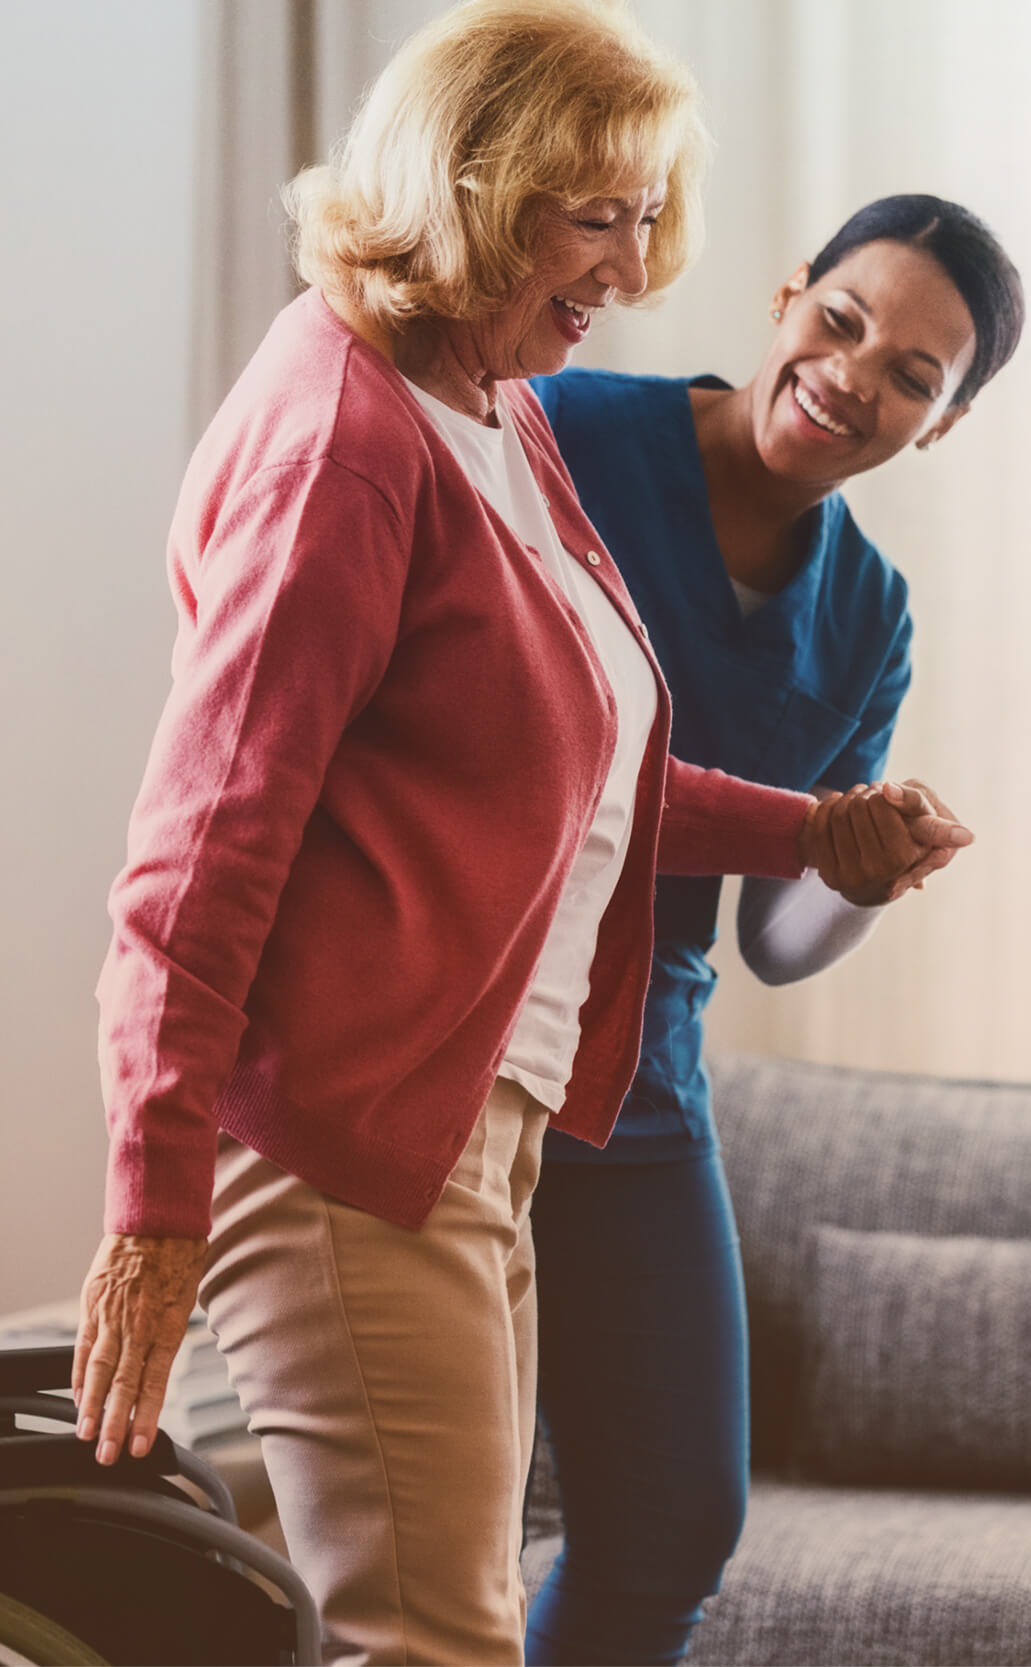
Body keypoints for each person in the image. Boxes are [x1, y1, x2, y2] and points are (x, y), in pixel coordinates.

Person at [70, 1, 970, 1654]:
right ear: (479, 181)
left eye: (643, 220)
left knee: (450, 1618)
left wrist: (826, 839)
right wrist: (151, 1202)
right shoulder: (353, 430)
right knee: (432, 1639)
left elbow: (590, 786)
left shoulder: (490, 415)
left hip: (497, 1111)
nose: (630, 272)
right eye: (595, 217)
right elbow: (206, 843)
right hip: (365, 1130)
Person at [525, 193, 1024, 1667]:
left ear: (940, 425)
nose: (856, 376)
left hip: (640, 1086)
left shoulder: (869, 614)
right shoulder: (556, 431)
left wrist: (857, 874)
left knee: (675, 1528)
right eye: (845, 320)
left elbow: (774, 944)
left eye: (917, 376)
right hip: (456, 1023)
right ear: (787, 295)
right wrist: (807, 827)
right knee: (427, 1521)